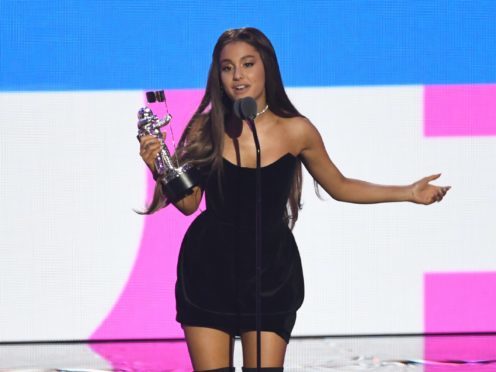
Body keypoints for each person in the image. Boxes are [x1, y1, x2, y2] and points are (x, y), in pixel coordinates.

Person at [138, 27, 450, 372]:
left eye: (247, 64)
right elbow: (188, 204)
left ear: (266, 67)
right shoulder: (206, 127)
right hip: (209, 268)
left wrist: (407, 192)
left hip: (269, 271)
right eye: (228, 67)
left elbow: (340, 185)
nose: (238, 75)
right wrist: (159, 166)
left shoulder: (296, 130)